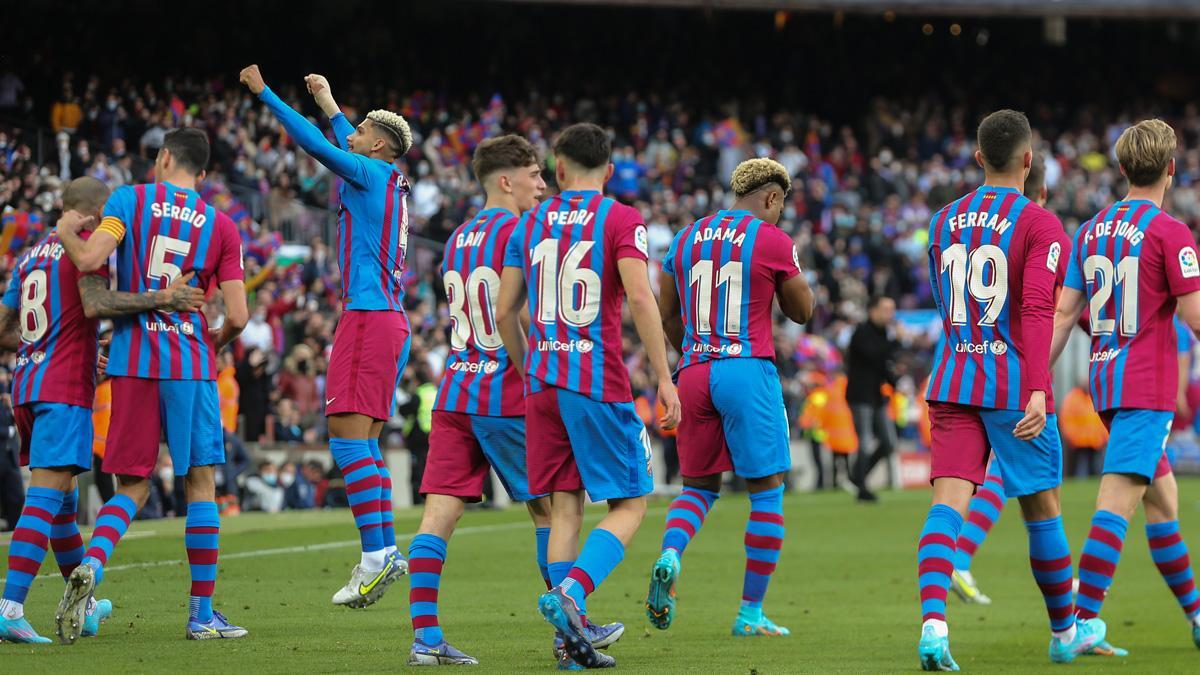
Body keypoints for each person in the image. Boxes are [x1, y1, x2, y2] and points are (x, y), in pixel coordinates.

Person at [406, 134, 618, 667]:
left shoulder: (457, 236)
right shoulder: (521, 229)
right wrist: (534, 375)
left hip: (456, 390)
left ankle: (425, 640)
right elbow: (515, 314)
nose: (543, 184)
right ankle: (570, 633)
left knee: (437, 517)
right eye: (534, 176)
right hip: (504, 389)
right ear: (507, 181)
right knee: (552, 510)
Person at [917, 109, 1104, 671]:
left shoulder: (942, 220)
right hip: (1011, 386)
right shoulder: (1041, 225)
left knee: (947, 506)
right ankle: (1064, 632)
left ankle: (932, 626)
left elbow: (943, 301)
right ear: (1028, 159)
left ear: (979, 159)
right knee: (1042, 511)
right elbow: (1037, 308)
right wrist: (1039, 389)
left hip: (951, 378)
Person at [496, 122, 680, 669]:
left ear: (557, 168)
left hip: (543, 383)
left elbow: (505, 311)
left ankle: (568, 644)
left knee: (565, 507)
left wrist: (529, 367)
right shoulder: (621, 219)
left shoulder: (527, 224)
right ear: (610, 169)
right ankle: (571, 598)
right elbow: (642, 299)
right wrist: (664, 376)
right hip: (594, 380)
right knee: (631, 503)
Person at [53, 131, 249, 642]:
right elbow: (240, 315)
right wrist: (216, 339)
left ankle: (91, 566)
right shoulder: (223, 226)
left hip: (132, 361)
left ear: (163, 159)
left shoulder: (128, 199)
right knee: (200, 483)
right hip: (189, 362)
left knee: (133, 486)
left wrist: (63, 231)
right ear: (202, 176)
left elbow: (92, 259)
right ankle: (201, 613)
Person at [0, 176, 205, 643]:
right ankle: (10, 606)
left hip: (27, 384)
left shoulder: (30, 255)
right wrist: (162, 298)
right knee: (47, 494)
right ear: (94, 216)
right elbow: (95, 305)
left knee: (63, 504)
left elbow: (4, 328)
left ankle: (85, 604)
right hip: (63, 387)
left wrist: (48, 344)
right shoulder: (84, 249)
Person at [241, 66, 413, 608]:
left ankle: (375, 557)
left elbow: (316, 144)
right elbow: (339, 135)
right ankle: (383, 553)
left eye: (361, 129)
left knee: (344, 441)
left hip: (366, 318)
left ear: (379, 145)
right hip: (389, 320)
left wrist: (264, 93)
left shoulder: (368, 172)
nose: (352, 132)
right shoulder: (387, 178)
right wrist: (329, 100)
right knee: (363, 444)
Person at [1049, 118, 1200, 653]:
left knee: (1163, 504)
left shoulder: (1089, 231)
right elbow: (1197, 319)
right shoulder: (1172, 233)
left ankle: (1197, 616)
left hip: (1106, 387)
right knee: (1116, 503)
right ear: (1171, 170)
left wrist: (1034, 382)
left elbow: (1064, 315)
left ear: (1120, 169)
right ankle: (1078, 625)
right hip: (1148, 389)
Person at [647, 157, 814, 638]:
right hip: (747, 368)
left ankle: (670, 554)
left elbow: (667, 316)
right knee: (767, 491)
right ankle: (749, 614)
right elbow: (801, 311)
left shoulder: (683, 240)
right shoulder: (772, 238)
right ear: (772, 197)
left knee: (698, 488)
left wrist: (697, 354)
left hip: (694, 371)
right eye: (780, 206)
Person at [846, 295, 898, 502]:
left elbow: (882, 365)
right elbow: (873, 355)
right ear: (873, 310)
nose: (889, 314)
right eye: (885, 309)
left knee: (889, 442)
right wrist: (896, 341)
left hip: (876, 395)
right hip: (860, 394)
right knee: (865, 440)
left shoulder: (883, 333)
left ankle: (858, 476)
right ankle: (862, 487)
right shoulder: (862, 332)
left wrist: (894, 382)